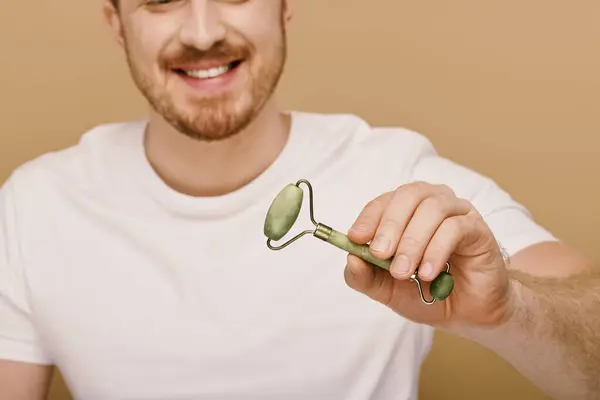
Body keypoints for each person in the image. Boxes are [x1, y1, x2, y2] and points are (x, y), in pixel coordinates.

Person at [0, 1, 598, 399]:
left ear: (286, 5)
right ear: (115, 20)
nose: (203, 32)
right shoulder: (34, 209)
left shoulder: (398, 174)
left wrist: (510, 310)